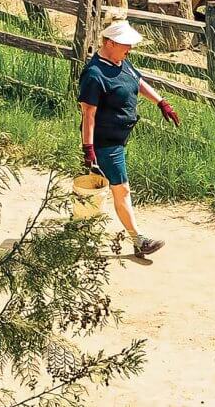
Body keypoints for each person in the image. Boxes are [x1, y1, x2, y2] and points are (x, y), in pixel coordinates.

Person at [78, 20, 181, 257]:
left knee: (98, 188)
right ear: (110, 43)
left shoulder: (121, 62)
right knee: (121, 189)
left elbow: (137, 80)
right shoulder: (95, 74)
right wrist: (89, 149)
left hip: (119, 138)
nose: (130, 49)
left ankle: (81, 230)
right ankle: (139, 240)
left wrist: (161, 102)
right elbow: (88, 114)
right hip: (105, 142)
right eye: (126, 44)